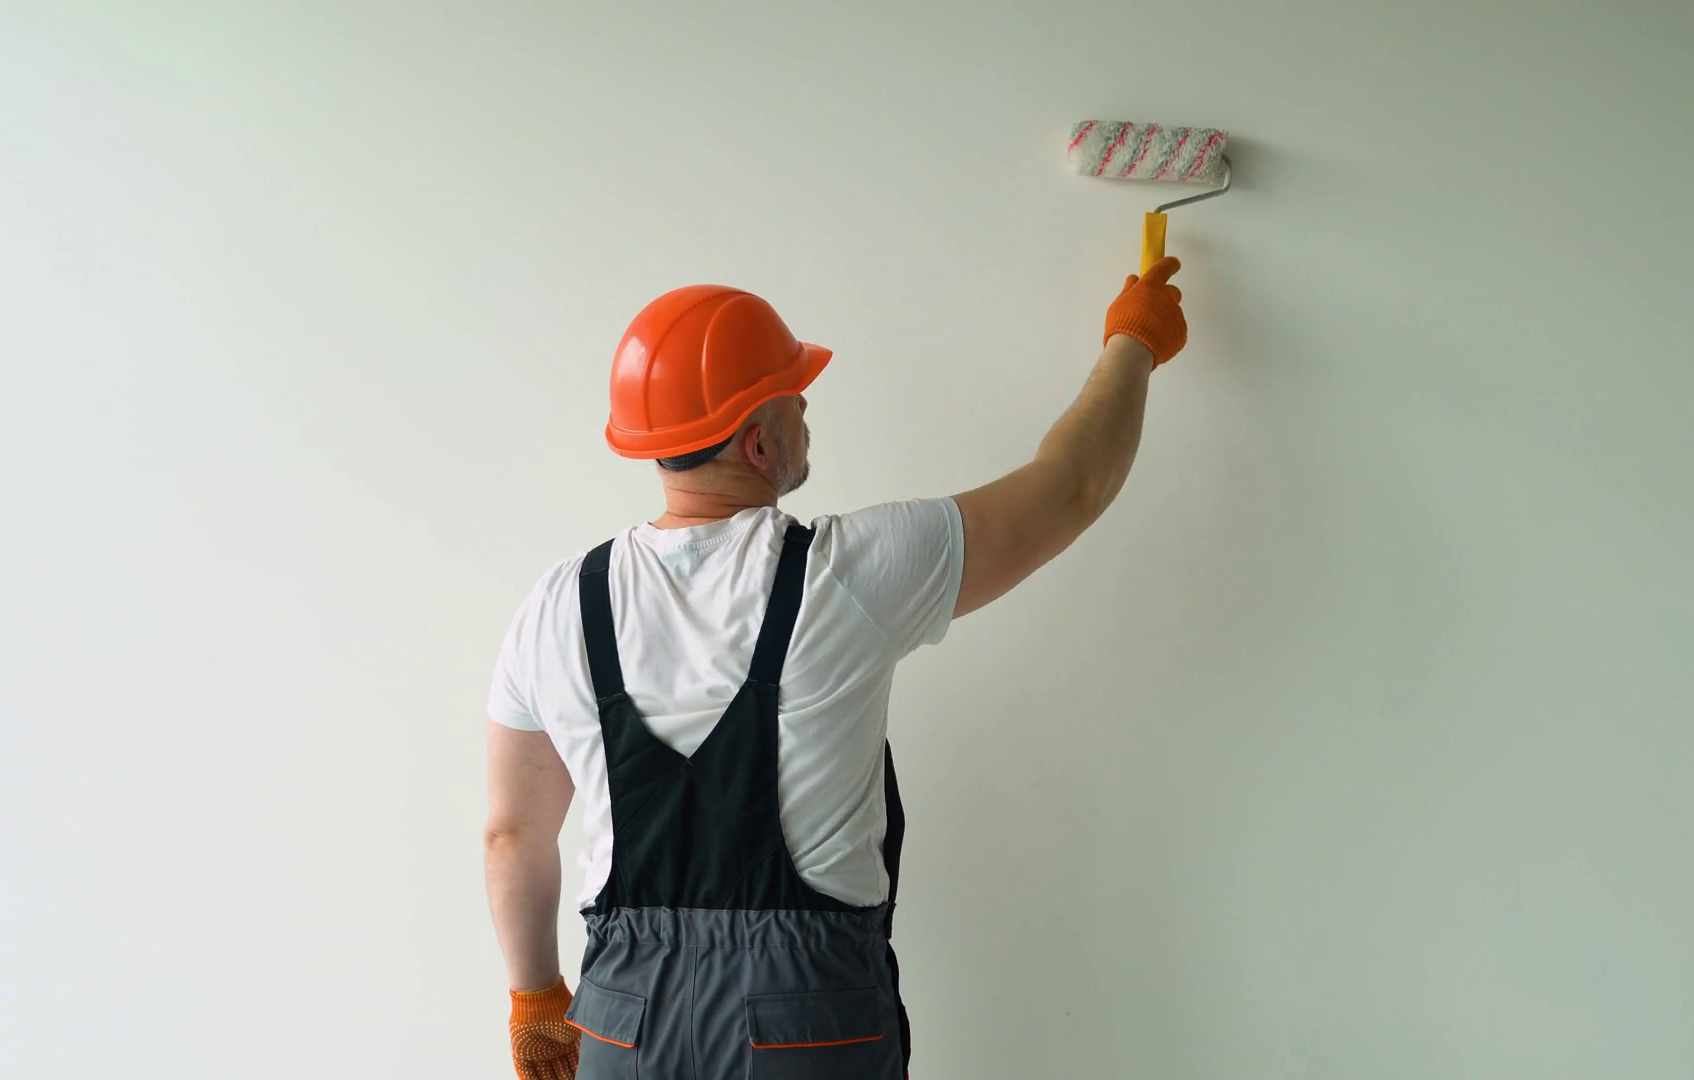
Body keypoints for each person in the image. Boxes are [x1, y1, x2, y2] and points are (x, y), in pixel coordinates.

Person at [483, 258, 1188, 1080]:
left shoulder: (556, 605)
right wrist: (1132, 343)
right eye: (793, 395)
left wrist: (536, 999)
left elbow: (511, 833)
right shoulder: (847, 573)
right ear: (757, 442)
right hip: (804, 1026)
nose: (807, 406)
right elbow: (1071, 486)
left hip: (623, 1027)